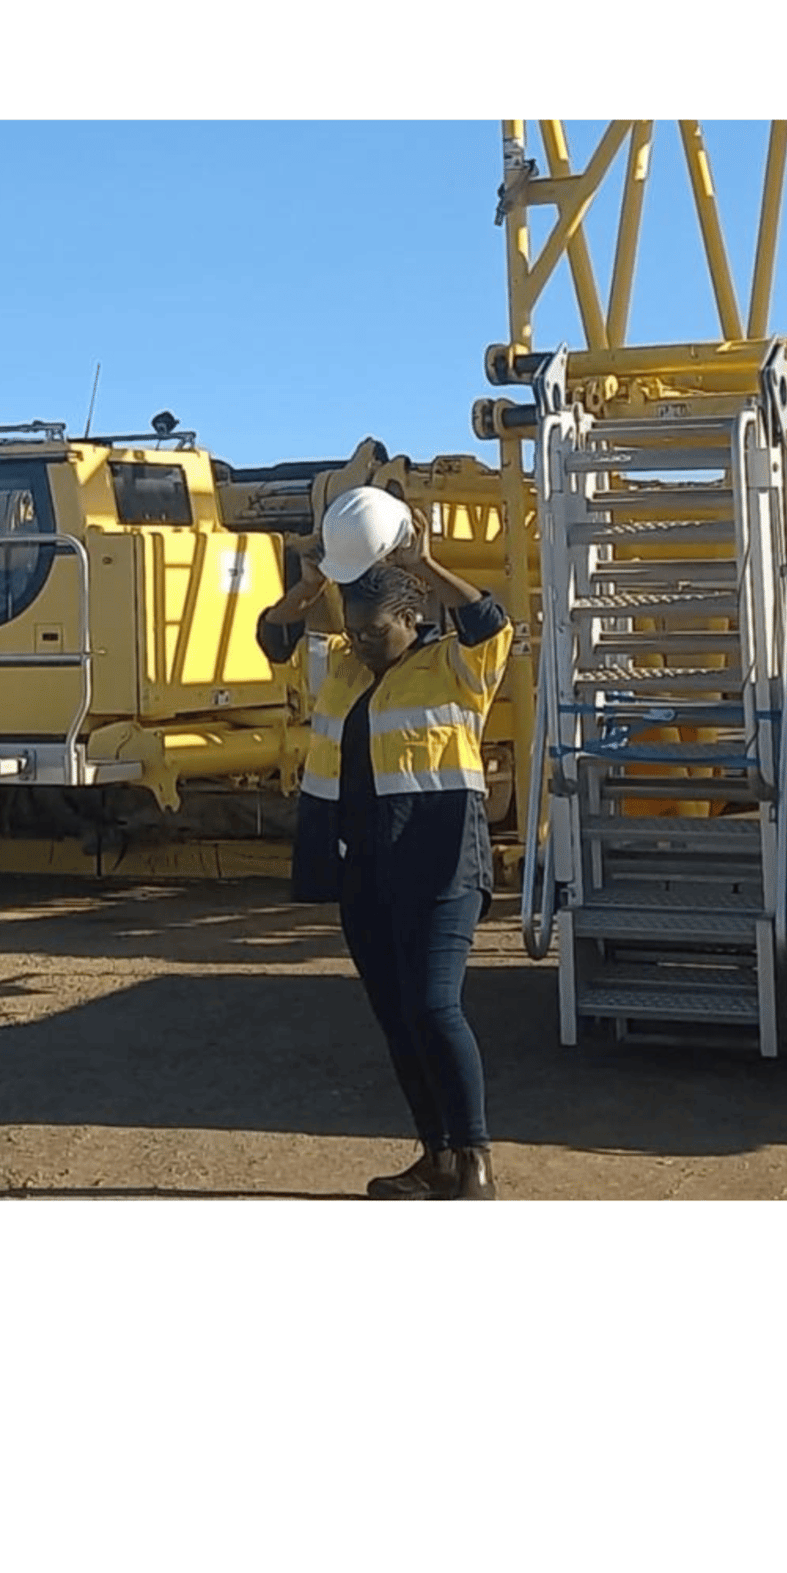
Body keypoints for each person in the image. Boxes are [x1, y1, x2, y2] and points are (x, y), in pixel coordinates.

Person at [257, 504, 513, 1200]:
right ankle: (435, 1156)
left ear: (410, 617)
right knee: (397, 1016)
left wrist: (424, 564)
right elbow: (273, 637)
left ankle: (475, 1157)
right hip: (363, 868)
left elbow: (490, 619)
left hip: (440, 866)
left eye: (377, 632)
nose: (365, 643)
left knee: (434, 1007)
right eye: (355, 632)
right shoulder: (338, 665)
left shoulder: (457, 668)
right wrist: (311, 587)